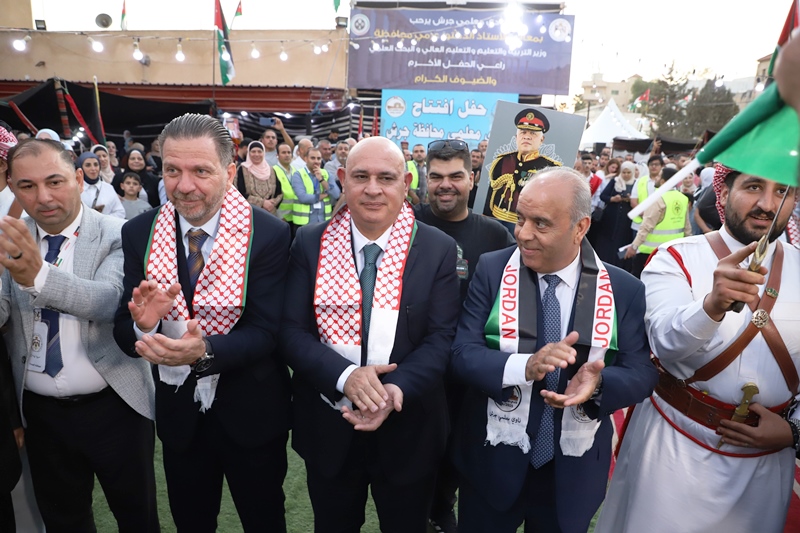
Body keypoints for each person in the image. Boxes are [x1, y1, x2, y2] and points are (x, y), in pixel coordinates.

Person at [451, 166, 657, 533]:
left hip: (571, 472)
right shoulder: (492, 269)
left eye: (541, 224)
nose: (523, 233)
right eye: (520, 218)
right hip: (493, 461)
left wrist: (599, 384)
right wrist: (525, 366)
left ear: (581, 227)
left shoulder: (622, 288)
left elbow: (641, 373)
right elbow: (462, 353)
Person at [595, 164, 799, 533]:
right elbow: (663, 344)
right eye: (754, 186)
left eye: (782, 190)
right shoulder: (677, 257)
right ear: (723, 192)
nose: (768, 204)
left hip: (766, 466)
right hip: (674, 450)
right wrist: (711, 306)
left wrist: (794, 431)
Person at [113, 113, 291, 532]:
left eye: (201, 171)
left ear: (229, 172)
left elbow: (268, 331)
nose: (184, 185)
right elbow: (124, 328)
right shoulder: (139, 232)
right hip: (180, 416)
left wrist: (204, 351)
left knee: (264, 520)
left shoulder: (267, 233)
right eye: (172, 170)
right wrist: (145, 327)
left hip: (251, 412)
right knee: (191, 521)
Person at [281, 136, 460, 533]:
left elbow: (441, 338)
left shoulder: (438, 248)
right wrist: (347, 377)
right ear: (343, 179)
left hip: (408, 426)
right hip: (330, 424)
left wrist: (392, 390)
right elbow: (291, 331)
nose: (373, 189)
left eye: (386, 178)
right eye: (361, 177)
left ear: (406, 182)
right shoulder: (310, 242)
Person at [2, 138, 158, 532]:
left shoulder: (118, 233)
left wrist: (37, 277)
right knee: (64, 522)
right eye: (27, 186)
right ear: (12, 188)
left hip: (115, 406)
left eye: (54, 181)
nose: (43, 197)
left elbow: (107, 301)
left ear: (77, 178)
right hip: (41, 415)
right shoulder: (12, 238)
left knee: (137, 517)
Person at [413, 139, 513, 532]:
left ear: (472, 179)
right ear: (425, 178)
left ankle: (442, 509)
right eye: (436, 176)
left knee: (459, 448)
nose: (445, 185)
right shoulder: (405, 222)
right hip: (415, 364)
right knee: (414, 452)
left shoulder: (494, 234)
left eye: (455, 176)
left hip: (467, 369)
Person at [485, 108, 562, 230]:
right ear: (516, 137)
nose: (527, 137)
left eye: (533, 133)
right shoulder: (502, 161)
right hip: (496, 219)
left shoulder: (552, 169)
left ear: (541, 140)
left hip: (528, 226)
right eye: (523, 132)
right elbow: (491, 193)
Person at [624, 167, 692, 278]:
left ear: (663, 181)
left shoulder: (657, 199)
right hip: (673, 251)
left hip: (651, 252)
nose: (656, 178)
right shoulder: (682, 198)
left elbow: (646, 226)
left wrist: (634, 246)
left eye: (659, 176)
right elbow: (687, 227)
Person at [595, 160, 637, 268]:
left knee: (623, 241)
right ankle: (605, 264)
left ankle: (621, 265)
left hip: (626, 221)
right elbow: (603, 196)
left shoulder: (636, 183)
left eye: (628, 172)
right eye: (624, 172)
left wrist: (631, 200)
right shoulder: (615, 181)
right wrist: (613, 199)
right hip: (610, 219)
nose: (626, 175)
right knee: (607, 242)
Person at [290, 147, 340, 227]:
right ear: (306, 159)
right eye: (313, 158)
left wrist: (321, 180)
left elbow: (336, 194)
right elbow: (303, 197)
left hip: (323, 221)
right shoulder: (298, 174)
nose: (316, 161)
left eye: (319, 158)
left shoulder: (326, 174)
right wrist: (322, 196)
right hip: (304, 223)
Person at [235, 141, 283, 216]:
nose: (256, 154)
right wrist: (262, 203)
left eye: (259, 151)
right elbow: (239, 192)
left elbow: (279, 193)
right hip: (249, 213)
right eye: (253, 151)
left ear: (263, 153)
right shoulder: (242, 169)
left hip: (270, 213)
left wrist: (271, 204)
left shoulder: (271, 170)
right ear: (248, 153)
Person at [77, 152, 126, 219]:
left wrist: (102, 219)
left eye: (96, 164)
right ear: (81, 168)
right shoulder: (75, 189)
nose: (93, 168)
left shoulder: (108, 188)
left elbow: (120, 212)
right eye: (88, 165)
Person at [629, 154, 664, 240]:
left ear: (662, 166)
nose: (654, 167)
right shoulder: (640, 181)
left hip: (659, 224)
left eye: (656, 164)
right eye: (651, 164)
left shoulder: (666, 182)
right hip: (639, 224)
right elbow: (633, 201)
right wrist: (645, 214)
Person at [272, 142, 297, 224]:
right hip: (281, 217)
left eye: (289, 152)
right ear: (277, 155)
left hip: (296, 215)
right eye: (283, 152)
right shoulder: (273, 171)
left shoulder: (295, 170)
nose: (287, 155)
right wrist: (279, 216)